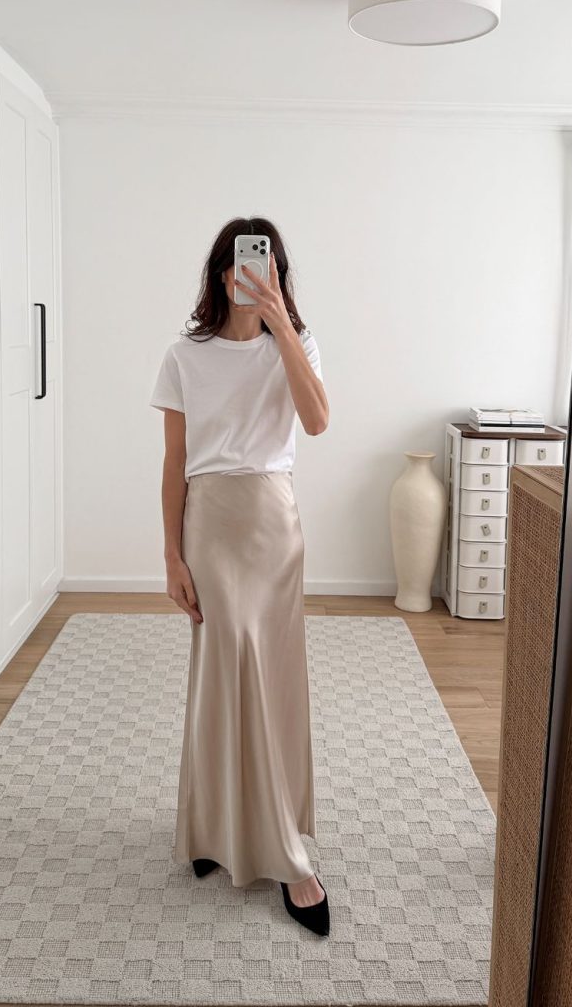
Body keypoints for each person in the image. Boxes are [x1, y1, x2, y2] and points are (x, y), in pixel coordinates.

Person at [149, 217, 330, 936]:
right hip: (212, 525)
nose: (252, 275)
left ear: (277, 275)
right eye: (241, 263)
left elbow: (317, 422)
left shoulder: (297, 345)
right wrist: (171, 556)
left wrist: (282, 329)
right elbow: (174, 463)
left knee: (271, 676)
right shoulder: (183, 355)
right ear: (221, 273)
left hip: (273, 525)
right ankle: (250, 841)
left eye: (267, 265)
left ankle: (246, 834)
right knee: (228, 667)